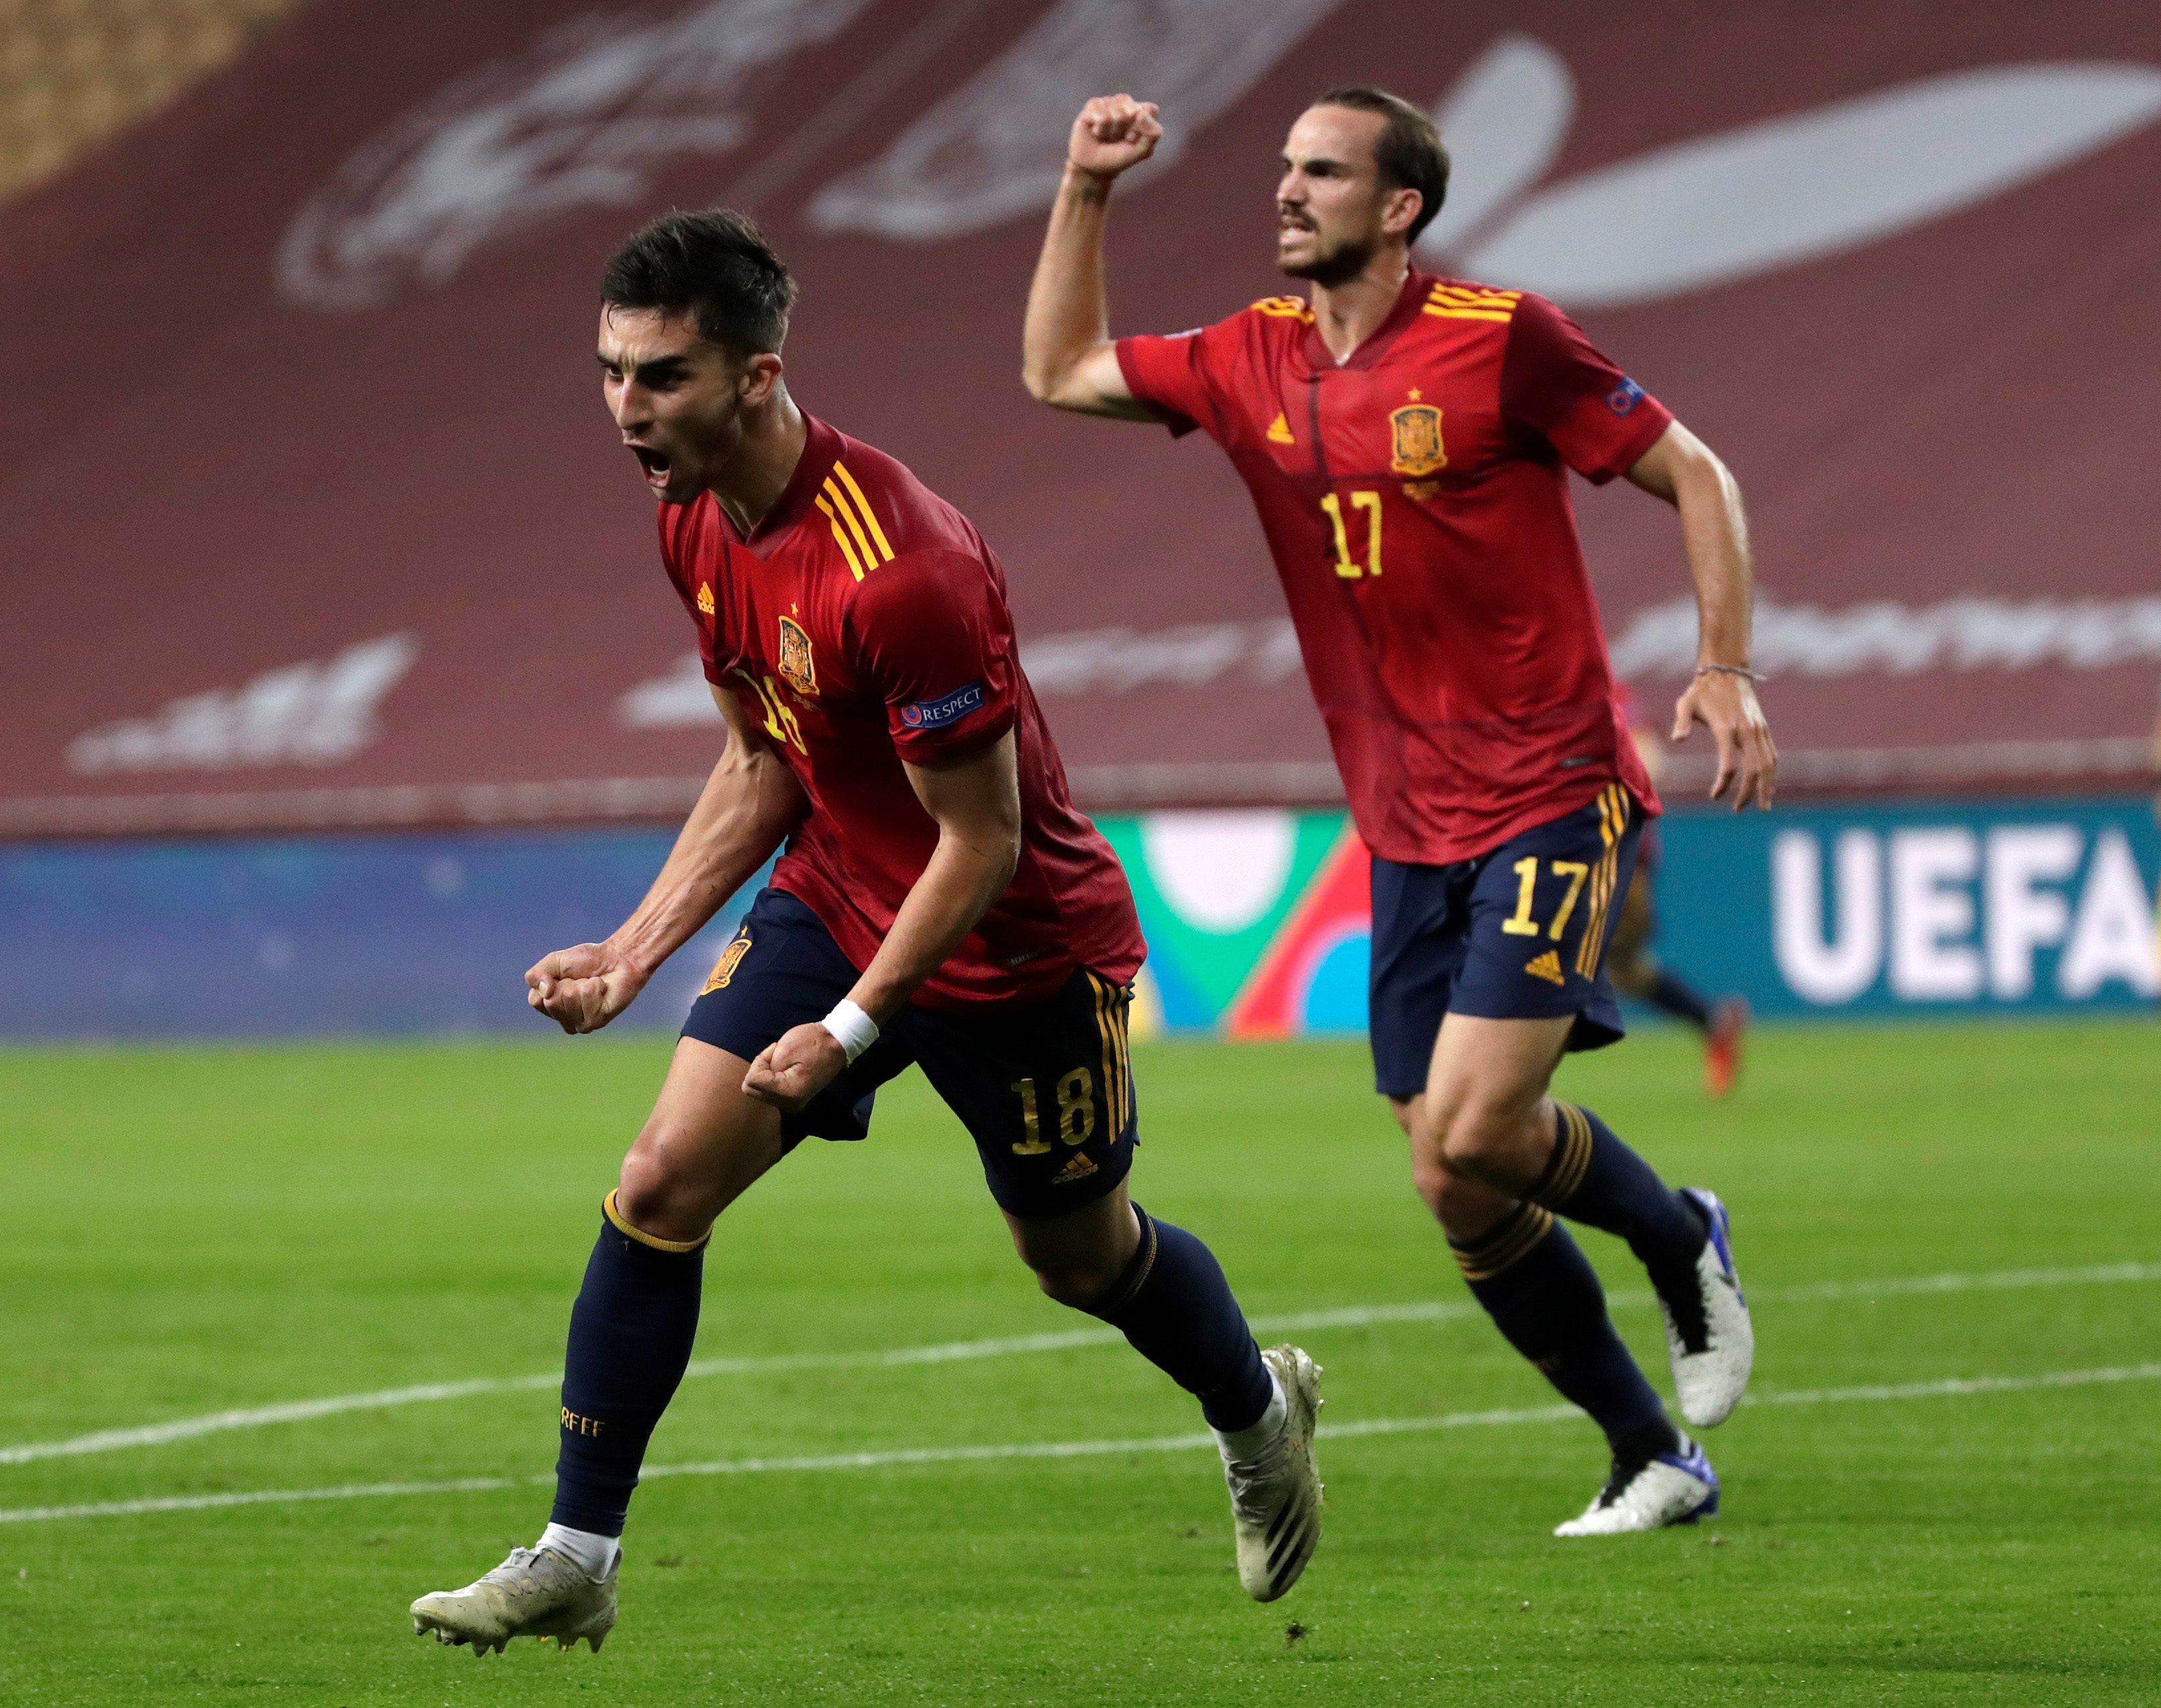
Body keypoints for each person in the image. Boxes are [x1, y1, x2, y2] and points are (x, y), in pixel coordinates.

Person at [411, 211, 1322, 1658]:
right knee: (659, 1179)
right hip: (838, 890)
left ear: (758, 375)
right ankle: (577, 1550)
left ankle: (1257, 1410)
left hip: (1014, 944)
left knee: (1079, 1257)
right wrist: (634, 948)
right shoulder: (690, 515)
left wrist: (844, 1033)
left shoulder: (904, 569)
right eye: (610, 373)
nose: (625, 409)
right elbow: (763, 757)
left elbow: (984, 839)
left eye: (659, 378)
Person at [1022, 87, 1776, 1535]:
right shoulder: (1244, 358)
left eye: (1321, 171)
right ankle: (1648, 1452)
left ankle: (1681, 1238)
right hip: (1402, 821)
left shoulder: (1502, 341)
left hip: (1550, 784)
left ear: (1399, 206)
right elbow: (1056, 367)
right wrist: (1083, 188)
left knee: (1482, 1120)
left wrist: (1724, 666)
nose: (1287, 193)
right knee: (1448, 1173)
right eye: (1284, 169)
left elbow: (1694, 471)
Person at [1609, 708, 1750, 1097]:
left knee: (1564, 963)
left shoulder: (1610, 695)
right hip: (1575, 859)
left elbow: (1650, 766)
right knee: (1619, 972)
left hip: (1614, 862)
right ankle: (1712, 1021)